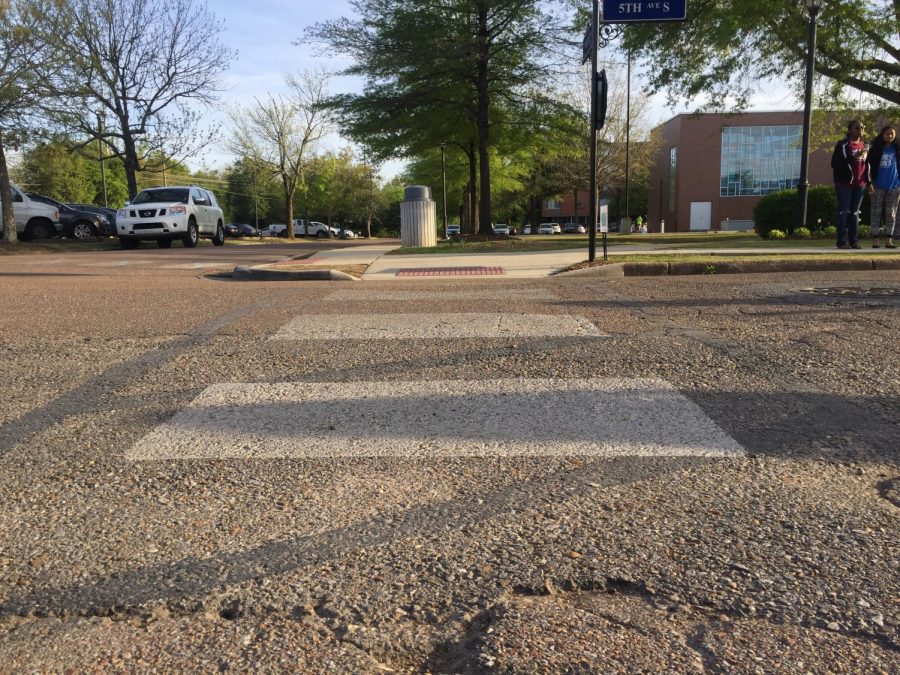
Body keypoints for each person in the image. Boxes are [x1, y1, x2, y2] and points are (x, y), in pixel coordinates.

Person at [831, 120, 871, 249]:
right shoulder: (842, 145)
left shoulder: (865, 145)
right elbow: (835, 164)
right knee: (844, 211)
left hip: (860, 184)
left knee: (854, 213)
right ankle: (841, 241)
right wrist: (854, 157)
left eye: (862, 127)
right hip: (844, 183)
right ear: (850, 130)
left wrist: (869, 182)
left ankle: (854, 241)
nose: (861, 130)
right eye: (857, 128)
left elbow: (867, 165)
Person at [866, 125, 900, 249]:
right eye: (887, 134)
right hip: (877, 186)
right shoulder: (875, 149)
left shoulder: (897, 149)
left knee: (891, 213)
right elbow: (867, 167)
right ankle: (875, 240)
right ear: (882, 135)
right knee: (876, 212)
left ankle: (888, 240)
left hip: (894, 186)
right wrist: (869, 183)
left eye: (892, 134)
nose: (890, 136)